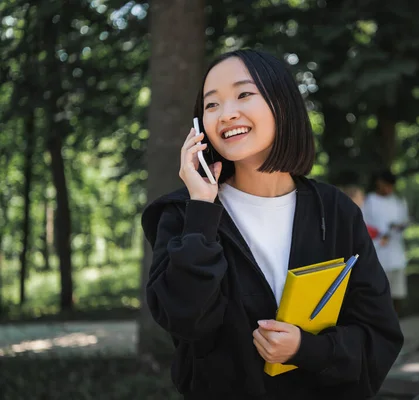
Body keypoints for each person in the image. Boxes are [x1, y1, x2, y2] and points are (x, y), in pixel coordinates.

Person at [141, 49, 403, 400]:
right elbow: (184, 320)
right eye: (211, 104)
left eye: (244, 94)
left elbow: (379, 335)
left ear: (282, 104)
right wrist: (201, 208)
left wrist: (306, 350)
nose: (227, 113)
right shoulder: (181, 214)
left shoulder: (336, 211)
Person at [363, 170, 410, 317]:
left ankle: (395, 321)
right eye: (386, 185)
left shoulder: (398, 202)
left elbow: (405, 221)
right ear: (379, 183)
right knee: (379, 291)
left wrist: (399, 226)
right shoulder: (369, 201)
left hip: (396, 253)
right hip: (378, 253)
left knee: (397, 293)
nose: (388, 189)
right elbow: (364, 225)